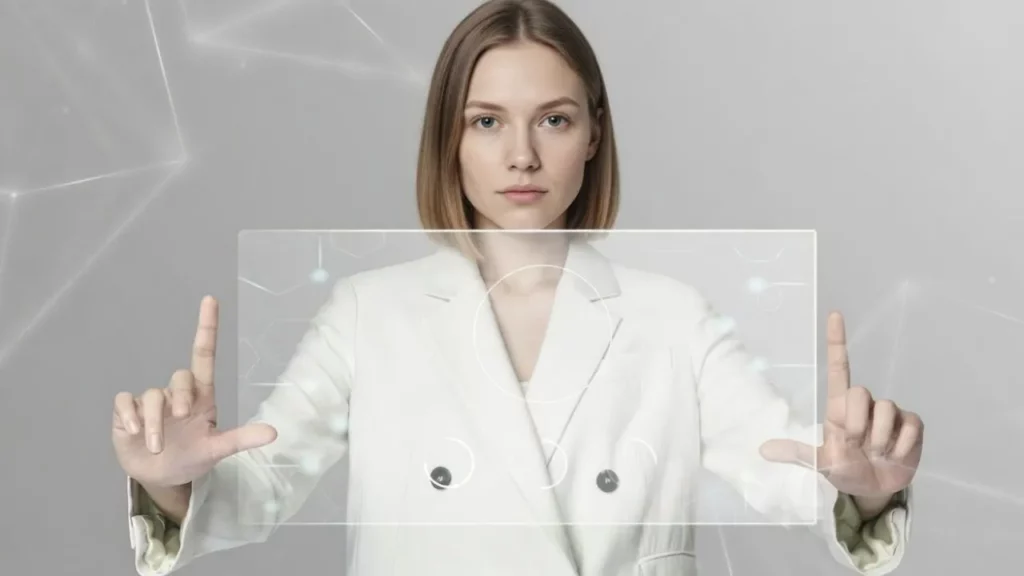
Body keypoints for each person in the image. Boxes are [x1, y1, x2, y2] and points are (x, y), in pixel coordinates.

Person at [111, 1, 923, 575]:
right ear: (450, 138)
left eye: (555, 119)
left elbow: (787, 469)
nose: (522, 155)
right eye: (487, 120)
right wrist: (168, 480)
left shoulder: (671, 318)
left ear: (594, 133)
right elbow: (257, 489)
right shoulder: (369, 314)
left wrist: (862, 489)